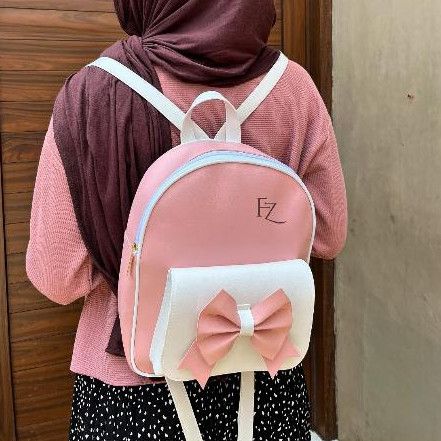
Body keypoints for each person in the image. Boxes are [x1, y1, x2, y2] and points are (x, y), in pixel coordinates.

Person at [25, 0, 347, 439]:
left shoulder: (94, 93)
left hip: (131, 391)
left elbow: (58, 278)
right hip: (262, 362)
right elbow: (328, 234)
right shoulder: (293, 87)